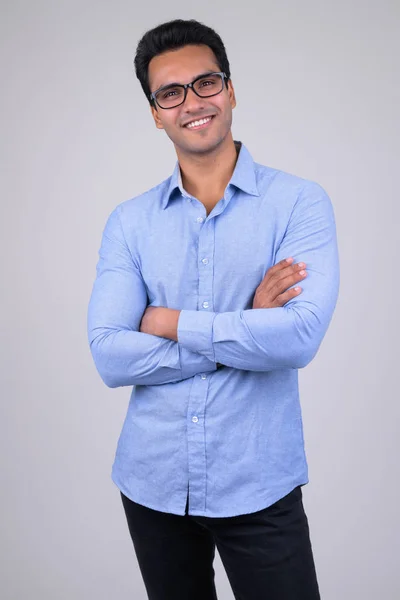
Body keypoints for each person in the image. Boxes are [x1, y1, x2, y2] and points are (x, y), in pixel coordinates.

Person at [87, 18, 340, 600]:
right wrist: (246, 332)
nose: (192, 103)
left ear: (230, 89)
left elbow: (298, 338)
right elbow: (108, 354)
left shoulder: (298, 203)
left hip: (259, 482)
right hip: (152, 483)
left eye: (206, 83)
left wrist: (169, 322)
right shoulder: (130, 222)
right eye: (170, 93)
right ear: (155, 112)